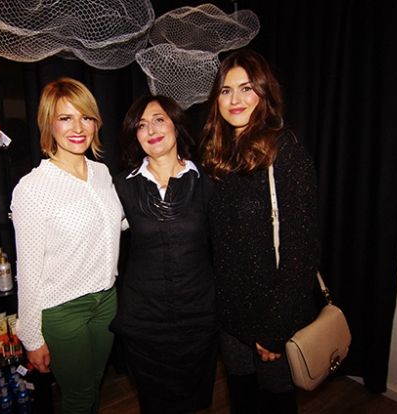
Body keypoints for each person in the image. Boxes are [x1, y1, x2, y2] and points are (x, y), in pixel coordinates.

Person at [201, 49, 320, 414]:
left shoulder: (285, 152)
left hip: (273, 315)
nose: (234, 99)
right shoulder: (219, 156)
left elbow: (302, 250)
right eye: (225, 90)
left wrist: (276, 328)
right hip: (232, 317)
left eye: (246, 88)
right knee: (243, 401)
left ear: (264, 93)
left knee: (276, 404)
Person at [10, 77, 123, 414]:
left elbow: (112, 223)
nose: (78, 128)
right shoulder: (33, 188)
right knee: (78, 396)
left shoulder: (102, 173)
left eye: (86, 117)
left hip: (106, 301)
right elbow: (28, 270)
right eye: (65, 118)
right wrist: (32, 337)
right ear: (49, 123)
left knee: (94, 383)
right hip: (63, 310)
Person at [111, 95, 218, 414]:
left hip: (198, 317)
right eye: (141, 125)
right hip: (144, 322)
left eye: (159, 120)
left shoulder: (208, 181)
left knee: (195, 402)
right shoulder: (121, 187)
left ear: (176, 125)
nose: (151, 130)